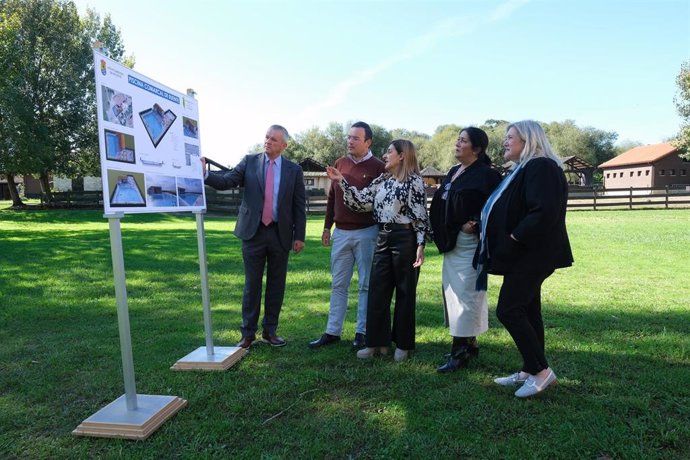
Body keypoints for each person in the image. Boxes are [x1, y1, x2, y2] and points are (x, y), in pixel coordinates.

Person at [476, 120, 573, 397]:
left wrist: (514, 238)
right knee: (529, 311)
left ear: (528, 140)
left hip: (533, 253)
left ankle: (542, 372)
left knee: (509, 309)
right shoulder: (525, 168)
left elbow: (543, 212)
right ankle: (530, 369)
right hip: (525, 254)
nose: (505, 142)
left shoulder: (541, 166)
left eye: (510, 137)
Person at [201, 125, 306, 349]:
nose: (268, 141)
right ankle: (248, 334)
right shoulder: (249, 161)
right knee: (252, 285)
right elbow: (227, 181)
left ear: (284, 146)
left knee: (277, 285)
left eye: (274, 139)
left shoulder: (293, 170)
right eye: (267, 137)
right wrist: (206, 174)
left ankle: (270, 331)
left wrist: (300, 236)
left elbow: (299, 206)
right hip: (253, 233)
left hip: (281, 234)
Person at [326, 139, 431, 362]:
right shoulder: (383, 179)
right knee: (377, 291)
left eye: (389, 152)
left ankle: (403, 344)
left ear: (402, 156)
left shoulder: (414, 181)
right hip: (382, 237)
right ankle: (377, 344)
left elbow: (420, 216)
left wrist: (420, 245)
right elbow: (362, 202)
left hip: (405, 238)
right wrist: (341, 181)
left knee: (405, 292)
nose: (385, 155)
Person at [429, 127, 502, 373]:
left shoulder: (487, 175)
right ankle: (469, 344)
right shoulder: (453, 172)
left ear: (477, 148)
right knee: (454, 294)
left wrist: (477, 224)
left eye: (463, 141)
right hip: (451, 242)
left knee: (467, 296)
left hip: (470, 245)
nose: (457, 144)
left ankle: (459, 353)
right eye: (457, 140)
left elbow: (497, 208)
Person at [309, 122, 385, 350]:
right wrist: (326, 227)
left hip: (367, 233)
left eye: (355, 138)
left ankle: (362, 332)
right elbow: (333, 197)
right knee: (338, 284)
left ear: (368, 142)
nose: (350, 142)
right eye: (349, 137)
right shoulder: (340, 163)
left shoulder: (379, 168)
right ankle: (332, 331)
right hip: (341, 232)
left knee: (366, 285)